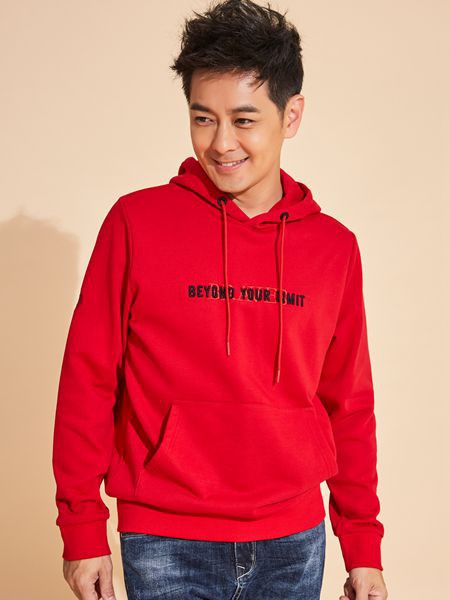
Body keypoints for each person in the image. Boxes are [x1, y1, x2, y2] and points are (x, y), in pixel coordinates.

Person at [52, 0, 388, 598]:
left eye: (244, 119)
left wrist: (362, 546)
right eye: (203, 118)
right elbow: (88, 378)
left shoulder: (334, 248)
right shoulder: (137, 223)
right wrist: (82, 529)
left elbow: (349, 403)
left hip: (294, 539)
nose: (222, 143)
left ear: (291, 115)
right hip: (165, 536)